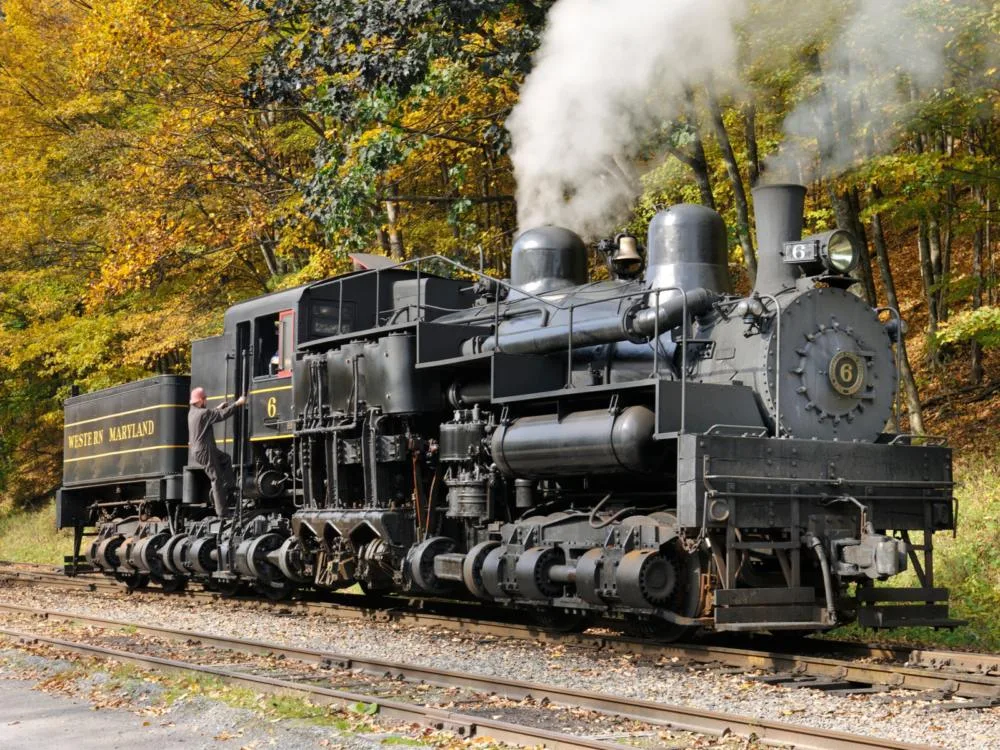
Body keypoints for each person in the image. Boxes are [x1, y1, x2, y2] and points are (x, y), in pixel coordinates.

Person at [188, 387, 247, 518]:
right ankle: (223, 513)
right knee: (216, 479)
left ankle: (230, 488)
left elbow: (210, 413)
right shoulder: (203, 414)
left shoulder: (193, 413)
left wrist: (218, 407)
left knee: (226, 459)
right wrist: (238, 403)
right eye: (204, 399)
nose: (206, 401)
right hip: (205, 450)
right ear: (200, 401)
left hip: (200, 450)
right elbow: (221, 415)